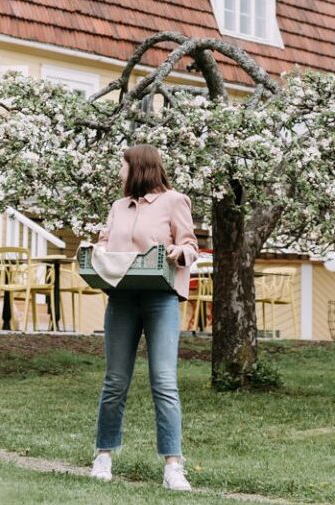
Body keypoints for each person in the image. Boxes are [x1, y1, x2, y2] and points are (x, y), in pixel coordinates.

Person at [88, 144, 201, 492]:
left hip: (159, 299)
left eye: (122, 166)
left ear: (138, 167)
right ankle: (103, 456)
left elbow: (190, 246)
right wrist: (97, 250)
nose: (119, 173)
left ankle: (173, 466)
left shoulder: (174, 201)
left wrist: (178, 252)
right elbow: (105, 242)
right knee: (115, 381)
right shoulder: (118, 207)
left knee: (164, 382)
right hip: (122, 297)